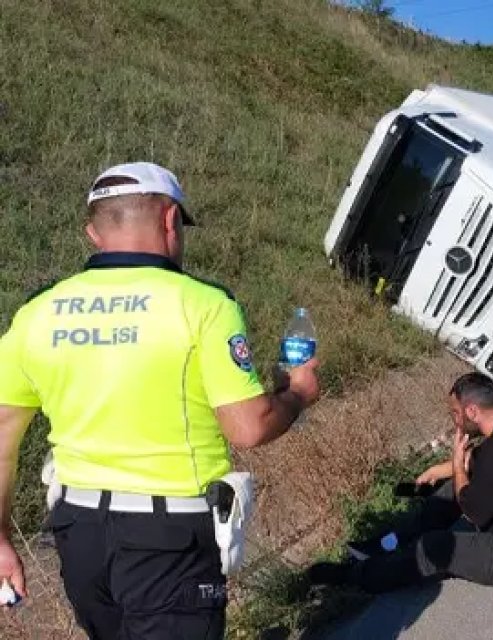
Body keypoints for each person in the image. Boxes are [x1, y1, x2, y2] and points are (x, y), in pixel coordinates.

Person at [0, 161, 321, 638]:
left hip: (78, 534)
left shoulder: (37, 311)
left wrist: (2, 539)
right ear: (170, 220)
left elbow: (4, 428)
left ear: (94, 233)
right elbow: (249, 426)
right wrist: (297, 393)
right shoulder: (203, 304)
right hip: (168, 539)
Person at [307, 373, 493, 592]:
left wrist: (456, 464)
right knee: (446, 495)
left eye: (455, 413)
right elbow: (480, 460)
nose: (454, 420)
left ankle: (358, 576)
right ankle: (387, 544)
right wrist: (439, 470)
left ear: (472, 410)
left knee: (435, 547)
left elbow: (474, 511)